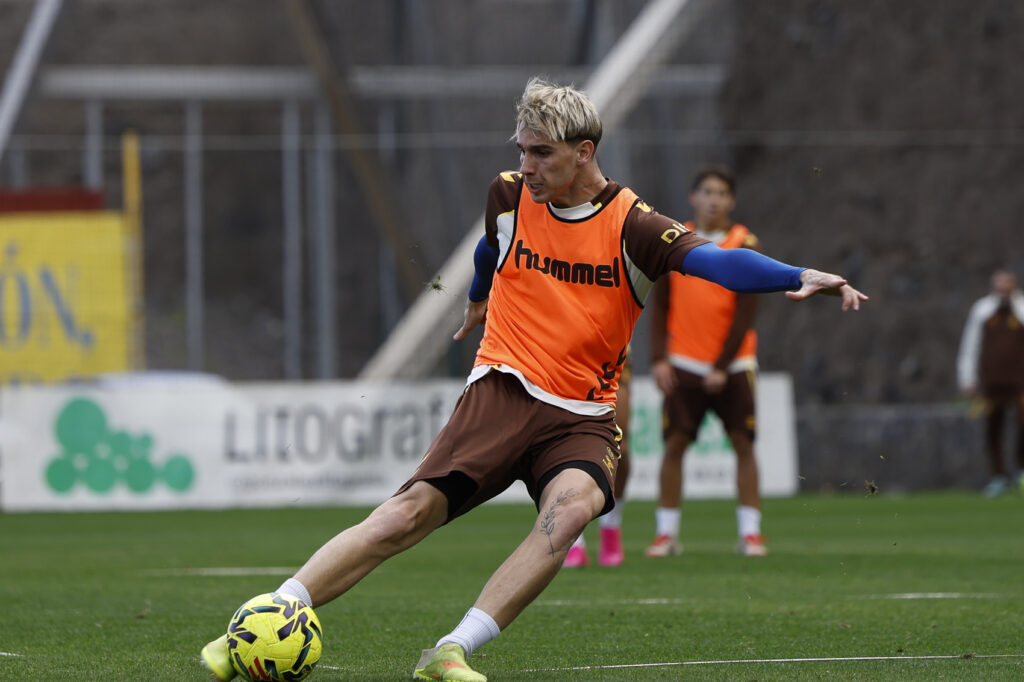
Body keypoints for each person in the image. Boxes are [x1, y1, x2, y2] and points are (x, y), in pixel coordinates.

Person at [200, 77, 867, 682]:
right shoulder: (510, 195)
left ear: (583, 151)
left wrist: (795, 276)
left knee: (572, 509)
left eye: (541, 153)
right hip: (502, 391)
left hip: (583, 415)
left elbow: (716, 263)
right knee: (406, 517)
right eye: (522, 150)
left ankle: (450, 651)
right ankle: (256, 624)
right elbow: (491, 247)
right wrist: (476, 296)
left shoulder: (635, 228)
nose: (527, 165)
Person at [645, 164, 768, 559]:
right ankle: (666, 535)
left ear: (731, 201)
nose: (713, 200)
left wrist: (721, 365)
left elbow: (746, 313)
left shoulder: (745, 243)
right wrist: (659, 358)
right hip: (684, 362)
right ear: (693, 197)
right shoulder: (676, 241)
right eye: (706, 192)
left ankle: (750, 533)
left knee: (743, 443)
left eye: (721, 193)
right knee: (674, 445)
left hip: (733, 366)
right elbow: (660, 304)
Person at [956, 268, 1024, 497]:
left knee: (1022, 424)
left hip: (1020, 381)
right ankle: (998, 476)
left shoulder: (1022, 308)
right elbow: (971, 345)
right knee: (993, 428)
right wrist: (968, 377)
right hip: (992, 382)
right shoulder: (983, 310)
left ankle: (1021, 470)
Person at [563, 351, 631, 567]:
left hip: (610, 354)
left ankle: (611, 526)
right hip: (563, 354)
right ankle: (573, 541)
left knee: (621, 446)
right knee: (562, 446)